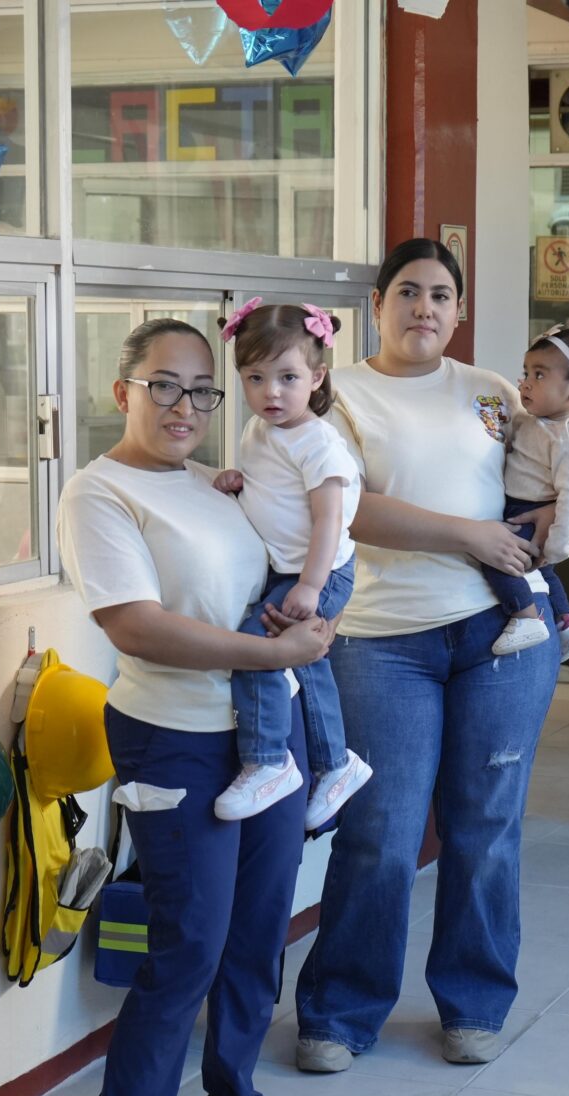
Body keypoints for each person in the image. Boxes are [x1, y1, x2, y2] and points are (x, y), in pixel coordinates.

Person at [56, 318, 333, 1096]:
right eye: (164, 385)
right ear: (122, 392)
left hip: (266, 736)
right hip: (173, 736)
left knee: (257, 936)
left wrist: (303, 629)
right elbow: (136, 626)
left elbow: (287, 565)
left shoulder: (220, 486)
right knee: (190, 946)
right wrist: (271, 655)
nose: (186, 406)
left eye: (203, 390)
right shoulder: (98, 493)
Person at [293, 238, 558, 1073]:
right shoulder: (338, 395)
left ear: (460, 309)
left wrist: (558, 516)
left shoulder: (492, 392)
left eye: (441, 294)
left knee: (487, 827)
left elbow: (540, 478)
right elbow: (347, 509)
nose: (425, 308)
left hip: (502, 637)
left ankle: (475, 1005)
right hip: (381, 641)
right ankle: (340, 1013)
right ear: (377, 304)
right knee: (381, 831)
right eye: (408, 291)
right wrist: (470, 536)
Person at [210, 299, 372, 829]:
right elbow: (275, 491)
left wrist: (310, 585)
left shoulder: (318, 442)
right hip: (290, 570)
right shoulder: (259, 432)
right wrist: (240, 483)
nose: (271, 392)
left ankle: (268, 760)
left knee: (258, 646)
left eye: (287, 377)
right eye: (255, 378)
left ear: (316, 377)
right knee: (307, 661)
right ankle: (336, 763)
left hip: (320, 570)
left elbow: (330, 521)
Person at [480, 324, 569, 660]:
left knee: (499, 559)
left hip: (529, 510)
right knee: (545, 573)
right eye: (526, 372)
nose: (526, 383)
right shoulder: (539, 419)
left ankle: (526, 617)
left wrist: (560, 544)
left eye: (540, 375)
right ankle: (566, 622)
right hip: (518, 504)